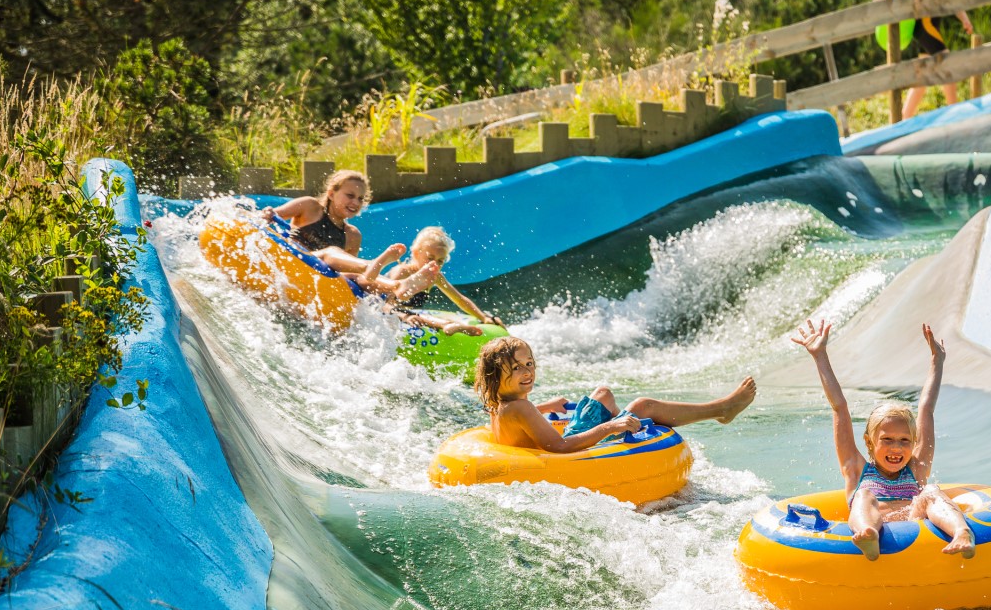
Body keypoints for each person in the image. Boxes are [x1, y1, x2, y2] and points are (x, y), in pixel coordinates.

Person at [790, 318, 975, 561]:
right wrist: (819, 356)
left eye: (905, 440)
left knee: (930, 491)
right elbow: (839, 408)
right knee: (865, 495)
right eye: (887, 439)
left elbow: (926, 409)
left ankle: (962, 533)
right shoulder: (856, 471)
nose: (897, 447)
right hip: (872, 529)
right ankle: (868, 534)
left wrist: (937, 361)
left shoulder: (916, 470)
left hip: (914, 530)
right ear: (869, 442)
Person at [474, 336, 757, 453]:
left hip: (559, 440)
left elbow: (519, 422)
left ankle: (622, 429)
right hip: (566, 455)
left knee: (603, 394)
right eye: (515, 368)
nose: (527, 372)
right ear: (494, 375)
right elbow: (559, 447)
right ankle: (722, 409)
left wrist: (544, 405)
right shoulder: (520, 409)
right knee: (643, 405)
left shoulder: (501, 403)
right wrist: (610, 426)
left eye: (529, 364)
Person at [260, 170, 440, 303]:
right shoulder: (310, 206)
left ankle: (398, 286)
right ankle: (372, 264)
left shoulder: (352, 235)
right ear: (331, 193)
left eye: (361, 199)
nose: (355, 202)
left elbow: (345, 273)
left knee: (357, 278)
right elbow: (274, 214)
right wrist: (268, 212)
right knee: (330, 252)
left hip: (318, 276)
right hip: (294, 258)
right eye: (350, 195)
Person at [360, 226, 505, 328]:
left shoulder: (435, 277)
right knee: (443, 324)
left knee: (446, 323)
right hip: (379, 310)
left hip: (409, 312)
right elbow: (385, 305)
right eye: (430, 258)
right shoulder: (402, 272)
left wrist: (483, 317)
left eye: (440, 261)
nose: (435, 263)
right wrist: (405, 316)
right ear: (416, 253)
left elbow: (459, 299)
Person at [899, 0, 976, 118]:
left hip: (929, 27)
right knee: (945, 61)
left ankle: (904, 118)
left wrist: (964, 19)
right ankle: (954, 113)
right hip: (924, 27)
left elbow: (953, 1)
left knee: (923, 75)